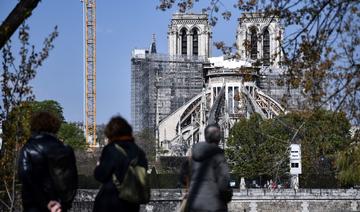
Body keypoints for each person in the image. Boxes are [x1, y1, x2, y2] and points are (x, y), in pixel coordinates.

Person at [18, 111, 78, 212]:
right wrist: (62, 203)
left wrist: (45, 202)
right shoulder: (66, 149)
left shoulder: (28, 148)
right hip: (58, 206)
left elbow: (25, 177)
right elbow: (72, 181)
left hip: (35, 205)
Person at [93, 116, 148, 212]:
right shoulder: (139, 152)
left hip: (110, 201)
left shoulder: (111, 149)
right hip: (132, 203)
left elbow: (100, 175)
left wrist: (98, 165)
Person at [184, 123, 232, 212]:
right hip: (215, 205)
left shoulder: (192, 154)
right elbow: (224, 184)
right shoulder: (219, 156)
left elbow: (183, 178)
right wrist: (227, 198)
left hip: (194, 204)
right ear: (219, 139)